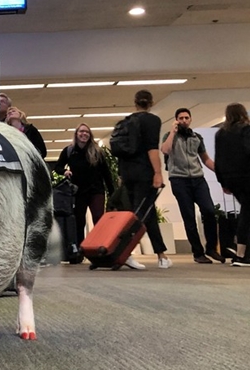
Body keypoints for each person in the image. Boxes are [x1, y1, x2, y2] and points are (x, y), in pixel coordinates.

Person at [160, 108, 223, 264]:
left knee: (209, 211)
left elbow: (206, 160)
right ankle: (198, 253)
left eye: (186, 117)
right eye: (180, 118)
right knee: (189, 216)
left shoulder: (197, 137)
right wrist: (173, 131)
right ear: (176, 120)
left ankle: (211, 248)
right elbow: (165, 150)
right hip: (179, 180)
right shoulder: (169, 136)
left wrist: (222, 171)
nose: (184, 120)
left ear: (190, 119)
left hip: (198, 179)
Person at [118, 89, 170, 269]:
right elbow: (152, 149)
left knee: (147, 213)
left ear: (135, 102)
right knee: (140, 215)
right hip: (144, 172)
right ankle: (125, 252)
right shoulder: (152, 120)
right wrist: (158, 172)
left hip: (127, 172)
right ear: (151, 103)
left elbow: (121, 152)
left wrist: (120, 175)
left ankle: (162, 255)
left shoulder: (127, 120)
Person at [54, 123, 115, 258]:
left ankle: (101, 249)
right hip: (78, 192)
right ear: (76, 134)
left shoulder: (97, 151)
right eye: (81, 132)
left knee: (98, 219)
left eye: (87, 132)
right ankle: (80, 251)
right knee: (79, 221)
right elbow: (57, 167)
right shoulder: (69, 151)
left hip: (96, 190)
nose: (84, 134)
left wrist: (112, 192)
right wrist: (65, 171)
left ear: (90, 135)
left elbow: (106, 173)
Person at [214, 103, 250, 267]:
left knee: (246, 211)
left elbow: (218, 160)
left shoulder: (221, 133)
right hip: (246, 176)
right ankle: (242, 253)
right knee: (247, 213)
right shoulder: (246, 130)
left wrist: (222, 182)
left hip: (231, 179)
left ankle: (241, 249)